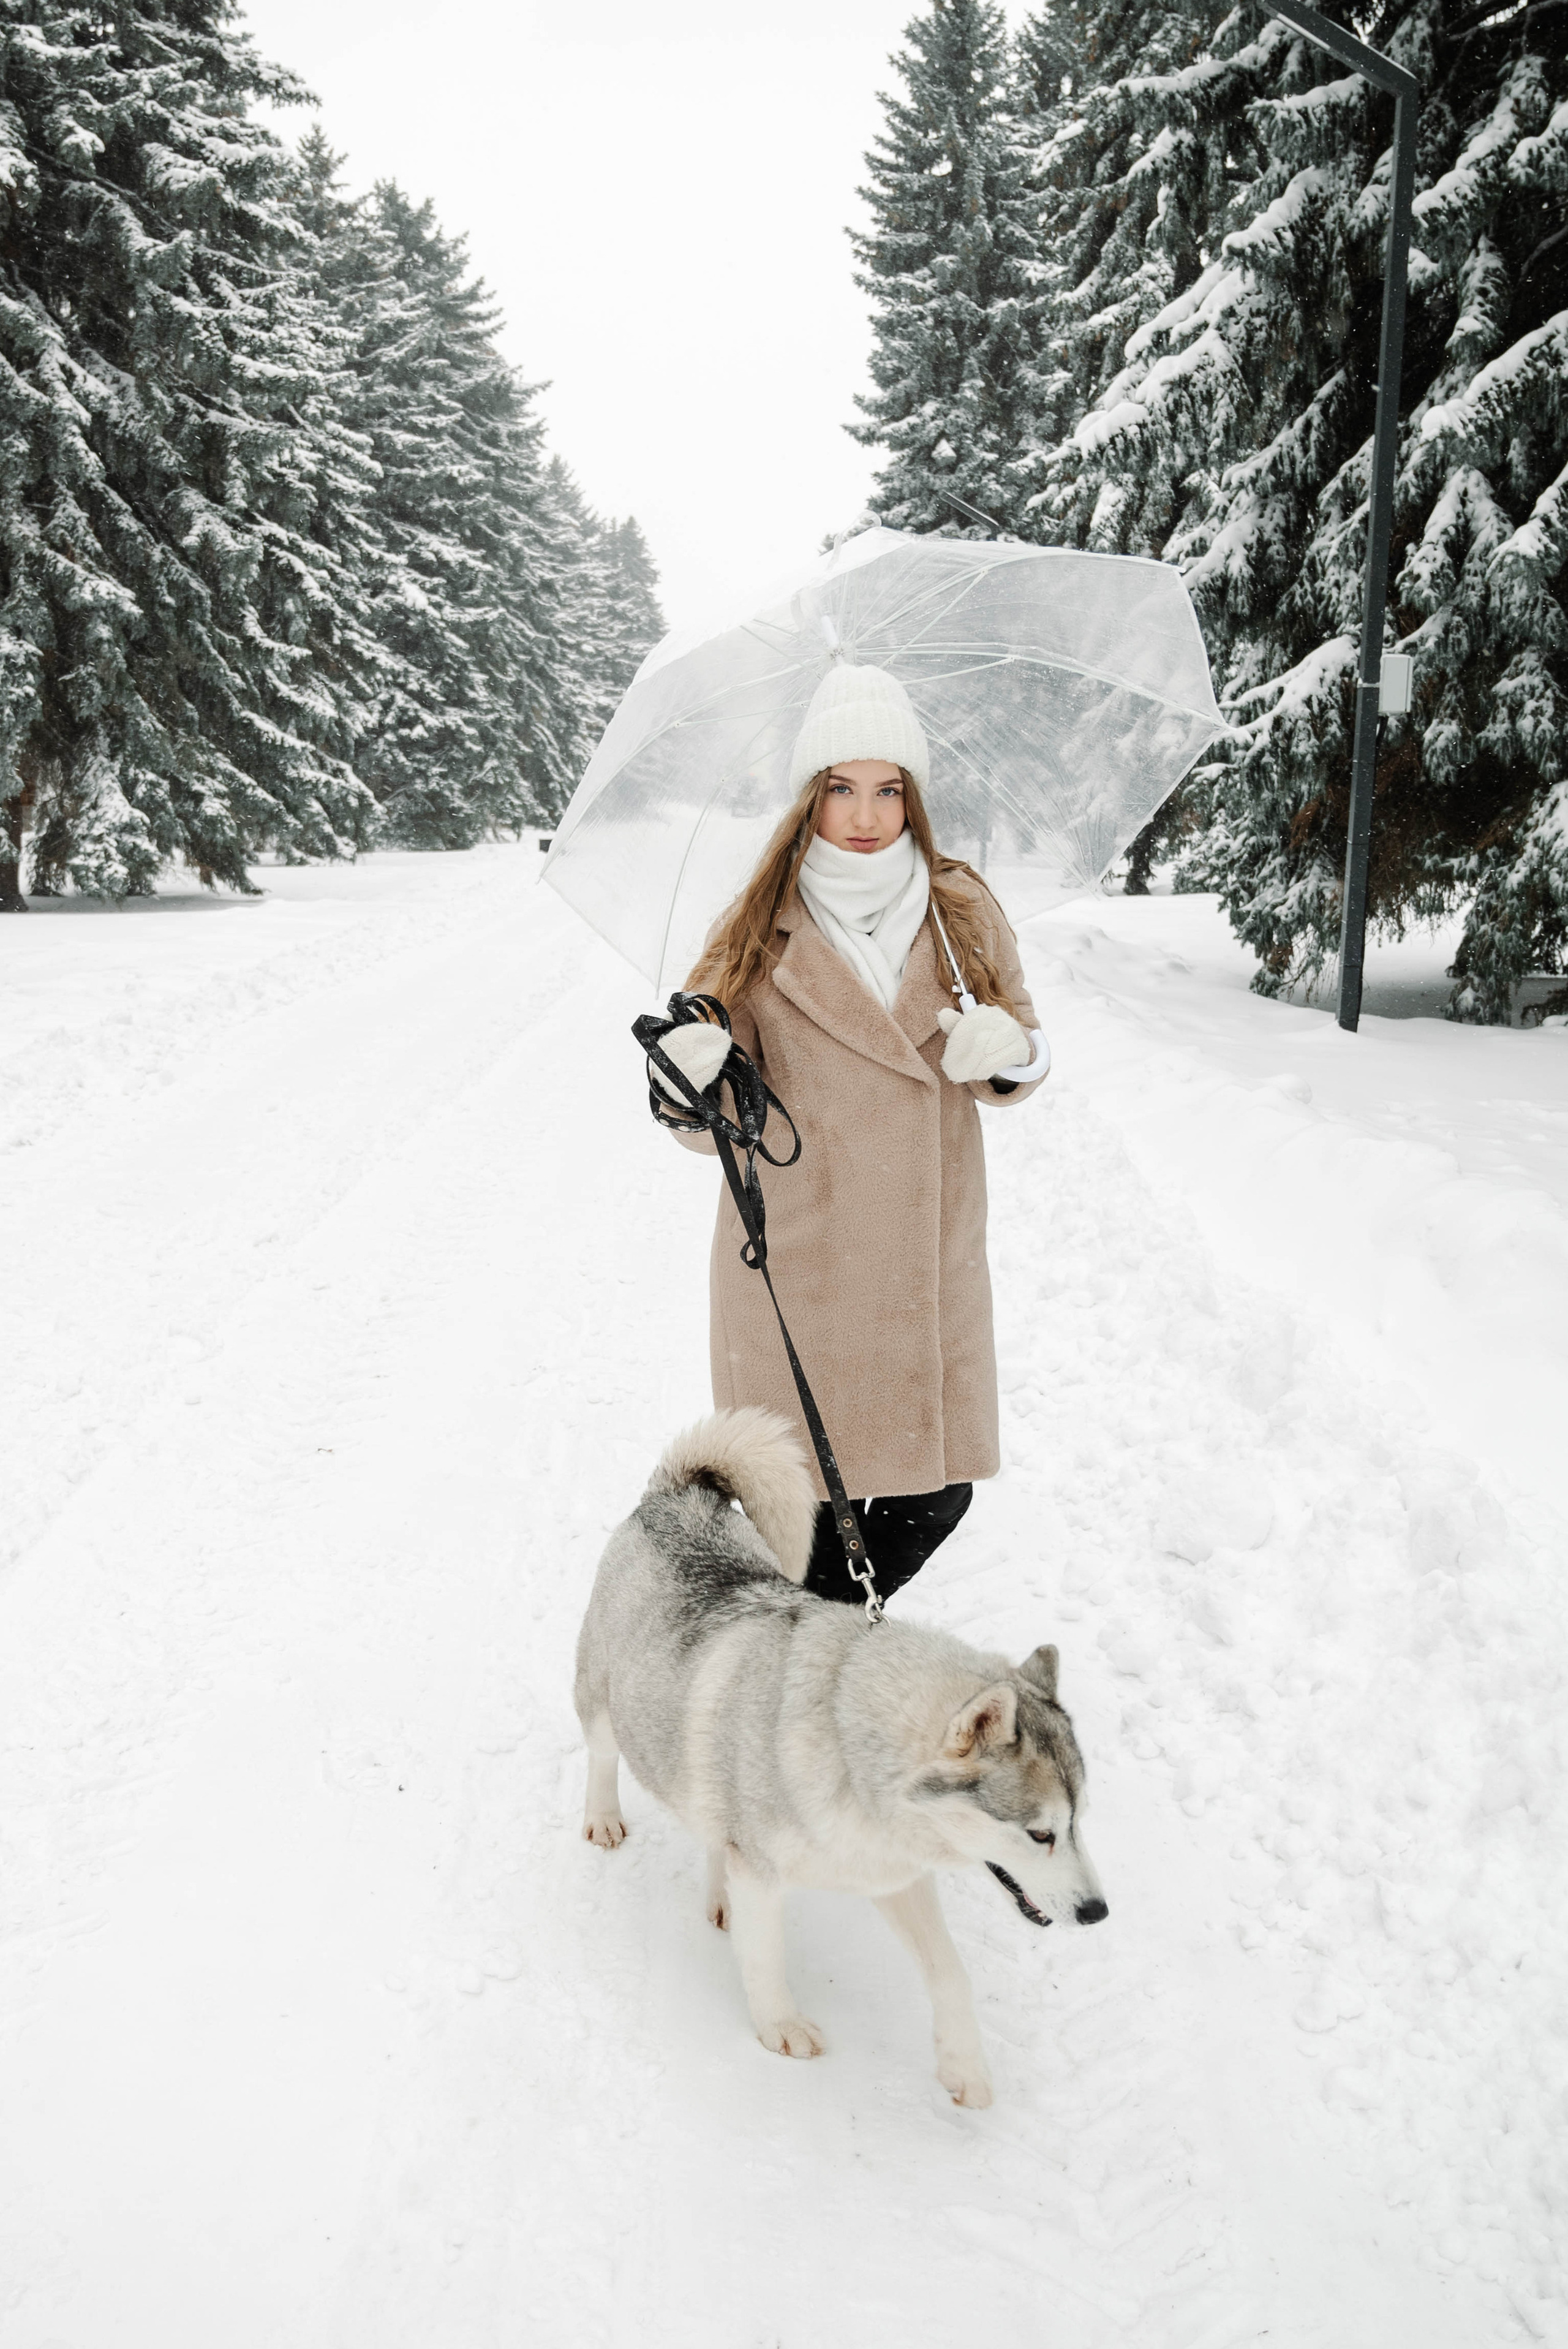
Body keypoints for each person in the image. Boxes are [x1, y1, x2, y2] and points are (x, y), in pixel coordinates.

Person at [651, 661, 1047, 1605]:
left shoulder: (961, 911)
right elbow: (700, 1111)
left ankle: (793, 1637)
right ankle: (801, 1659)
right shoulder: (755, 923)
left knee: (939, 1490)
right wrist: (690, 1077)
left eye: (887, 789)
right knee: (805, 1504)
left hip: (926, 1267)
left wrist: (1007, 1051)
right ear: (808, 798)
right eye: (841, 789)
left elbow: (1023, 1047)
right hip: (799, 1261)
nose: (866, 814)